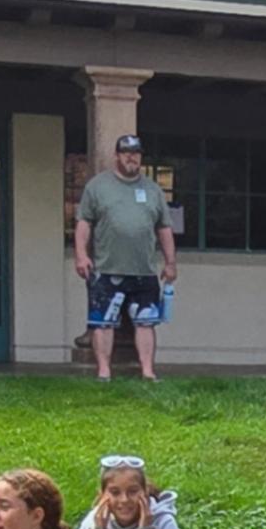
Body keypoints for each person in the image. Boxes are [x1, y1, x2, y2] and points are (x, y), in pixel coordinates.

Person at [73, 129, 176, 381]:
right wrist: (81, 255)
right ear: (117, 156)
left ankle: (148, 372)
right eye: (127, 153)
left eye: (136, 154)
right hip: (107, 269)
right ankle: (104, 372)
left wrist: (170, 262)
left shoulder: (153, 190)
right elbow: (84, 223)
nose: (132, 158)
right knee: (103, 323)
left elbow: (164, 228)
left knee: (146, 322)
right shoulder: (98, 186)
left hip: (144, 270)